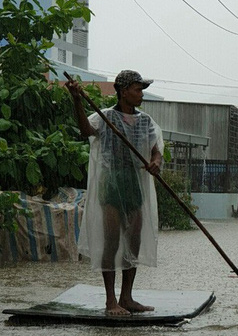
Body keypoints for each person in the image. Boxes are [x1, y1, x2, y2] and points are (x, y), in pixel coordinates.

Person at [66, 70, 164, 316]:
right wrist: (77, 99)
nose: (141, 94)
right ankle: (111, 300)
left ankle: (127, 297)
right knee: (110, 240)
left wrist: (156, 162)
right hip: (112, 182)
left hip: (135, 183)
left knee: (134, 239)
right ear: (122, 91)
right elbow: (85, 129)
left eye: (141, 89)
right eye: (137, 89)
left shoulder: (145, 121)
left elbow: (156, 150)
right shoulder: (105, 117)